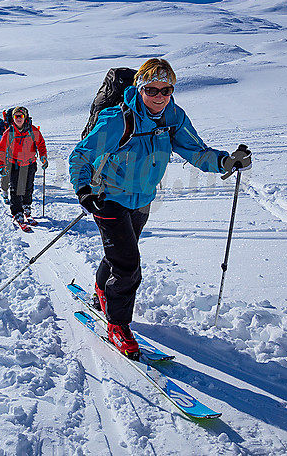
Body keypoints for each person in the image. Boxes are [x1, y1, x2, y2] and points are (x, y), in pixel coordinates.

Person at [68, 58, 251, 358]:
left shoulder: (173, 117)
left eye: (166, 90)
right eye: (152, 89)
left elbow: (196, 151)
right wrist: (84, 190)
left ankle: (102, 291)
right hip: (107, 197)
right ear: (139, 88)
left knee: (119, 254)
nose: (159, 97)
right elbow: (80, 156)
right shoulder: (118, 120)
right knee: (128, 266)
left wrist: (225, 161)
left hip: (142, 197)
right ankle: (118, 324)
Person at [0, 106, 49, 224]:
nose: (18, 119)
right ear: (13, 118)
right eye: (16, 116)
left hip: (30, 163)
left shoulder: (32, 130)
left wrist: (43, 156)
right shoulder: (9, 132)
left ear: (25, 117)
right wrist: (2, 165)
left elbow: (41, 144)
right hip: (14, 164)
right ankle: (17, 212)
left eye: (21, 116)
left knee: (28, 187)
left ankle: (26, 205)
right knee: (15, 189)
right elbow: (1, 150)